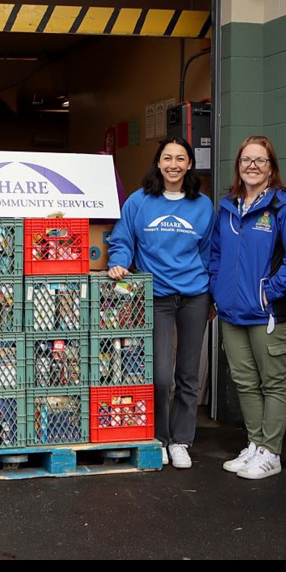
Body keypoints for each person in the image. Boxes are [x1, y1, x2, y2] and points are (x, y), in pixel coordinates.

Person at [107, 136, 214, 469]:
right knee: (161, 375)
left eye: (180, 158)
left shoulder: (203, 205)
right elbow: (123, 238)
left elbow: (209, 252)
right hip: (157, 296)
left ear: (190, 164)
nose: (173, 164)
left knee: (187, 373)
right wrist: (120, 261)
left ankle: (182, 440)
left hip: (195, 295)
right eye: (167, 158)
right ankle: (160, 437)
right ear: (158, 162)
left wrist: (211, 294)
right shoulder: (139, 202)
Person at [209, 136, 286, 480]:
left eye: (260, 160)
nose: (252, 166)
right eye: (246, 160)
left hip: (267, 313)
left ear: (271, 168)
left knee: (272, 381)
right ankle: (254, 445)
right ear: (238, 166)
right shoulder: (226, 207)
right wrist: (217, 291)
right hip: (231, 312)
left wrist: (271, 292)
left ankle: (271, 452)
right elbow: (216, 255)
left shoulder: (284, 207)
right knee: (244, 381)